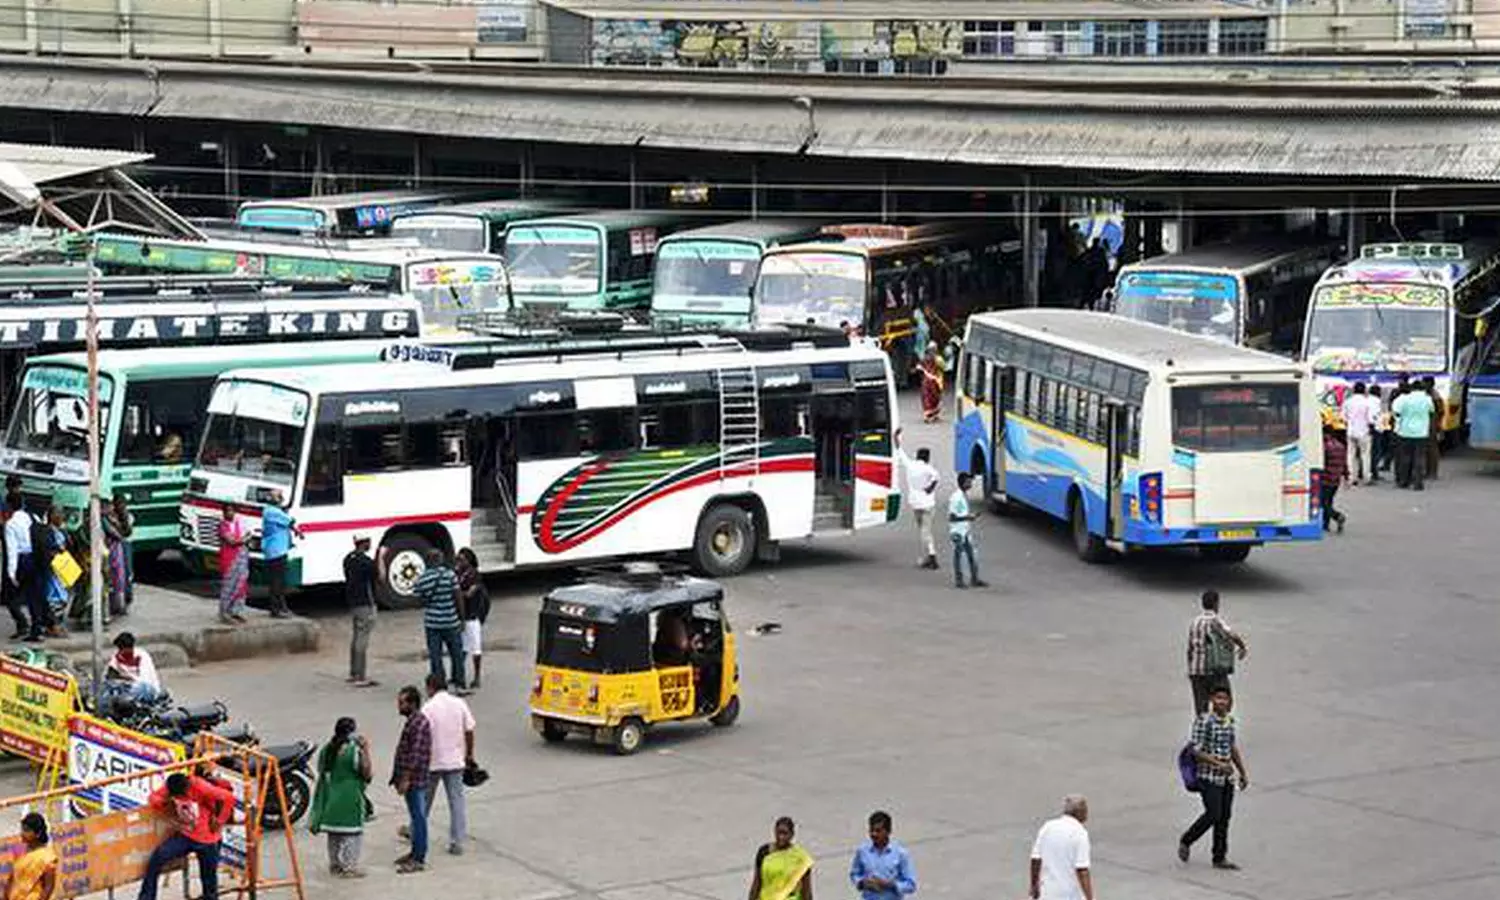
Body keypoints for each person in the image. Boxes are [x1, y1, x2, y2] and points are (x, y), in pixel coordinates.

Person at [1178, 685, 1250, 870]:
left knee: (1224, 816)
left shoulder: (1229, 721)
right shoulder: (1204, 721)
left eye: (1225, 699)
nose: (1222, 702)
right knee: (1213, 813)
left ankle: (1219, 857)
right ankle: (1187, 839)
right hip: (1208, 776)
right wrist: (1218, 764)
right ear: (1211, 700)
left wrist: (1242, 772)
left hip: (1226, 777)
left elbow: (1232, 747)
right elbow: (1196, 750)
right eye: (1218, 698)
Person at [138, 770, 236, 900]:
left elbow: (229, 798)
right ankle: (146, 897)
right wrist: (163, 802)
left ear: (186, 789)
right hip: (186, 836)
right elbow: (153, 798)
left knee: (209, 879)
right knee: (157, 857)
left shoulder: (202, 787)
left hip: (208, 839)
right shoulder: (172, 786)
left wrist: (220, 821)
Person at [309, 716, 372, 878]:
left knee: (334, 835)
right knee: (352, 834)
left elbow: (322, 770)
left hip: (331, 797)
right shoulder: (353, 751)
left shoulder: (327, 749)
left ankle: (335, 864)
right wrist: (366, 750)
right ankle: (349, 866)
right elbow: (366, 774)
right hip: (350, 797)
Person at [421, 672, 475, 856]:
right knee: (457, 802)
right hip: (455, 760)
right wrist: (469, 754)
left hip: (433, 761)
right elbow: (469, 730)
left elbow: (422, 735)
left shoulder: (428, 708)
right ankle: (457, 841)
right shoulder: (459, 703)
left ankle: (415, 831)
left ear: (430, 687)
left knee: (424, 801)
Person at [391, 685, 432, 875]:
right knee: (416, 817)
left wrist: (405, 779)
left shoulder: (419, 724)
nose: (398, 706)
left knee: (418, 818)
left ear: (412, 704)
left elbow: (414, 755)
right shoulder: (413, 721)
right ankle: (414, 853)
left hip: (415, 780)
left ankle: (418, 859)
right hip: (411, 779)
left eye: (402, 702)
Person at [1186, 590, 1247, 715]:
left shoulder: (1194, 622)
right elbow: (1231, 634)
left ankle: (1201, 731)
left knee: (1200, 708)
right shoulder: (1214, 621)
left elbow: (1190, 649)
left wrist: (1191, 669)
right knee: (1224, 702)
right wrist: (1242, 647)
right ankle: (1219, 728)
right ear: (1216, 604)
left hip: (1196, 672)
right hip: (1213, 670)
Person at [414, 551, 465, 691]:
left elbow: (418, 600)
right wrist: (462, 618)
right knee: (456, 653)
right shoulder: (450, 575)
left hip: (432, 623)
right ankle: (459, 683)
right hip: (451, 621)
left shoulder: (422, 579)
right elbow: (458, 597)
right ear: (440, 559)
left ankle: (440, 686)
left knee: (435, 656)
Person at [1029, 795, 1093, 900]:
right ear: (1079, 812)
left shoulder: (1048, 827)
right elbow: (1082, 870)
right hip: (1069, 895)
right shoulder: (1080, 833)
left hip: (1046, 892)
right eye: (1085, 810)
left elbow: (1035, 859)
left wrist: (1034, 885)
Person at [894, 428, 940, 570]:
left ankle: (931, 556)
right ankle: (930, 556)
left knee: (923, 530)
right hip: (928, 504)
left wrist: (896, 436)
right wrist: (930, 488)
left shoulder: (910, 465)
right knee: (926, 530)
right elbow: (937, 477)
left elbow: (899, 450)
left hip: (916, 503)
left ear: (917, 456)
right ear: (927, 458)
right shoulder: (928, 468)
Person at [849, 810, 916, 900]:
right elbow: (855, 874)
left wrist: (889, 884)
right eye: (871, 830)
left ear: (888, 831)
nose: (874, 834)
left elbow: (911, 885)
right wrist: (862, 883)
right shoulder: (863, 851)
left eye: (878, 831)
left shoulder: (900, 854)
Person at [343, 535, 381, 688]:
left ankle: (353, 672)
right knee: (362, 639)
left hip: (353, 602)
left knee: (356, 637)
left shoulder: (348, 559)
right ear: (364, 543)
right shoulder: (365, 562)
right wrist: (381, 557)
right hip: (366, 602)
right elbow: (379, 576)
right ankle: (360, 675)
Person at [748, 816, 814, 900]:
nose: (781, 837)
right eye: (778, 833)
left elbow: (806, 890)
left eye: (785, 833)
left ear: (792, 834)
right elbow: (757, 883)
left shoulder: (801, 858)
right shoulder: (764, 852)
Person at [260, 491, 298, 618]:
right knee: (277, 582)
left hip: (277, 550)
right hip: (276, 551)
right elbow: (290, 521)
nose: (281, 499)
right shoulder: (272, 512)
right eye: (279, 497)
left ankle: (282, 607)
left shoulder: (271, 511)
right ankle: (276, 610)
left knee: (279, 582)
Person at [1392, 380, 1435, 490]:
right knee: (1419, 458)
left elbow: (1397, 412)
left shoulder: (1405, 399)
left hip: (1405, 432)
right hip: (1421, 433)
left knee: (1406, 458)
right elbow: (1432, 411)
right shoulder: (1427, 399)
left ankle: (1404, 481)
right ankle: (1418, 483)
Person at [455, 548, 489, 691]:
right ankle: (459, 674)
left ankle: (476, 677)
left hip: (472, 615)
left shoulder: (474, 575)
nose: (458, 562)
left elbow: (469, 594)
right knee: (462, 647)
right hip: (463, 615)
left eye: (461, 559)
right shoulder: (460, 574)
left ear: (468, 561)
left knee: (475, 648)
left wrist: (456, 594)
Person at [947, 473, 986, 590]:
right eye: (968, 482)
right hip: (958, 531)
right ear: (962, 483)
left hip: (965, 530)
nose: (971, 484)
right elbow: (952, 517)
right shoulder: (956, 498)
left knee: (972, 555)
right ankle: (960, 581)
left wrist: (968, 517)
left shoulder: (963, 496)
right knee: (958, 556)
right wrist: (968, 518)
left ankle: (974, 578)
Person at [7, 812, 57, 900]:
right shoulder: (19, 849)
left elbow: (48, 887)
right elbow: (12, 877)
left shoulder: (47, 857)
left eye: (27, 830)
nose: (22, 834)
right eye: (22, 830)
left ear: (38, 834)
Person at [1, 478, 28, 639]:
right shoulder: (29, 517)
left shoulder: (10, 524)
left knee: (13, 599)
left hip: (19, 559)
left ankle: (23, 624)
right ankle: (42, 625)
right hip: (32, 559)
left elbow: (11, 550)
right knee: (34, 595)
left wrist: (11, 572)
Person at [106, 631, 161, 704]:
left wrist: (126, 679)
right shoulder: (117, 657)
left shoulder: (142, 656)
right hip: (126, 688)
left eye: (122, 649)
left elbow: (144, 680)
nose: (120, 652)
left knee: (140, 689)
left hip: (145, 688)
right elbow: (110, 674)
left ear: (130, 647)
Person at [102, 496, 134, 617]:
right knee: (113, 577)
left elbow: (127, 531)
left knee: (124, 576)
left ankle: (122, 603)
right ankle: (115, 605)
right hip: (112, 549)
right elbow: (115, 533)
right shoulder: (106, 519)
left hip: (121, 548)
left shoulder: (125, 517)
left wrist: (123, 517)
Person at [217, 503, 249, 625]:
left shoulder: (238, 524)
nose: (230, 513)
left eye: (232, 511)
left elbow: (247, 535)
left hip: (241, 558)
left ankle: (236, 611)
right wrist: (244, 539)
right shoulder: (222, 526)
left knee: (241, 586)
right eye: (228, 511)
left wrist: (243, 539)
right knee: (229, 585)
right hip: (229, 559)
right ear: (224, 513)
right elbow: (232, 541)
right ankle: (224, 612)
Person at [1339, 383, 1377, 486]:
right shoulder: (1367, 403)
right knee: (1365, 455)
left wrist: (1349, 422)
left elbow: (1342, 417)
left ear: (1353, 390)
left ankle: (1352, 477)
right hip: (1364, 431)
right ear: (1365, 390)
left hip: (1351, 431)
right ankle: (1366, 477)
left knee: (1351, 455)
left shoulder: (1348, 402)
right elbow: (1370, 419)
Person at [37, 507, 67, 637]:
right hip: (51, 571)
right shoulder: (46, 532)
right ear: (51, 517)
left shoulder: (62, 532)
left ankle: (56, 625)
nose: (61, 517)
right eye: (58, 514)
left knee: (62, 599)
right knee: (53, 599)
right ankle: (52, 626)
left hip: (62, 569)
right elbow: (46, 550)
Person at [1321, 426, 1347, 533]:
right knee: (1329, 501)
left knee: (1323, 502)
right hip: (1336, 479)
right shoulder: (1341, 446)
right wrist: (1346, 475)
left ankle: (1337, 516)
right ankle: (1325, 524)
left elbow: (1322, 463)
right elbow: (1344, 463)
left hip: (1326, 478)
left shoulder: (1325, 447)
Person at [915, 343, 945, 424]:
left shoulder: (936, 359)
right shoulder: (936, 359)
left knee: (931, 398)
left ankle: (933, 415)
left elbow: (918, 367)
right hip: (932, 381)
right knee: (931, 398)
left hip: (932, 381)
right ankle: (928, 416)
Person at [1423, 376, 1444, 480]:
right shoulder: (1427, 395)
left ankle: (1432, 473)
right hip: (1427, 423)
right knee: (1426, 449)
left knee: (1432, 449)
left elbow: (1440, 412)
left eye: (1425, 383)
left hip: (1432, 424)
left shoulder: (1435, 396)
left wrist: (1438, 425)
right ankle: (1427, 471)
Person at [1369, 385, 1390, 482]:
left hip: (1366, 429)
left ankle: (1364, 471)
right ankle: (1374, 472)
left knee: (1368, 452)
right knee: (1376, 451)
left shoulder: (1367, 400)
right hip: (1376, 429)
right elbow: (1376, 416)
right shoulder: (1376, 401)